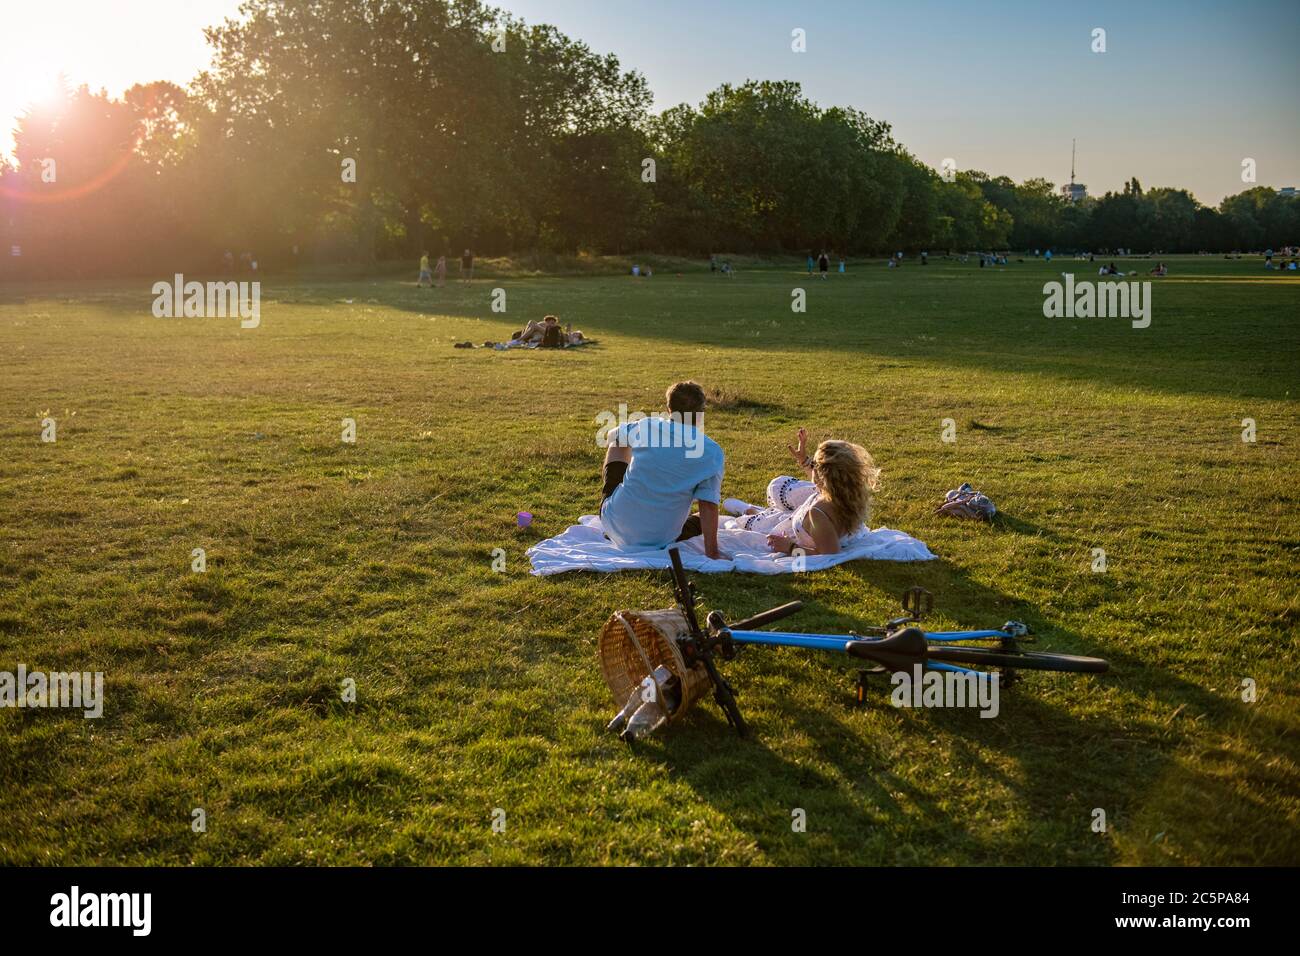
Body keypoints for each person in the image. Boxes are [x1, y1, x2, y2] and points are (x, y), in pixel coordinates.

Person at [599, 381, 725, 560]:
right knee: (697, 519)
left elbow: (613, 435)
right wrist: (712, 553)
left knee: (618, 441)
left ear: (668, 409)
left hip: (614, 523)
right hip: (662, 537)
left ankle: (619, 505)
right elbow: (708, 504)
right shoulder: (711, 451)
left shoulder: (647, 426)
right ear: (701, 413)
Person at [723, 429, 879, 557]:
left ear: (823, 476)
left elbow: (830, 553)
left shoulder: (818, 513)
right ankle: (758, 510)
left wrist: (789, 547)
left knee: (758, 521)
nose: (812, 469)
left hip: (789, 529)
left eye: (814, 465)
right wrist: (804, 461)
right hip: (801, 518)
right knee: (777, 487)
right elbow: (817, 480)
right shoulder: (848, 492)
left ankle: (750, 510)